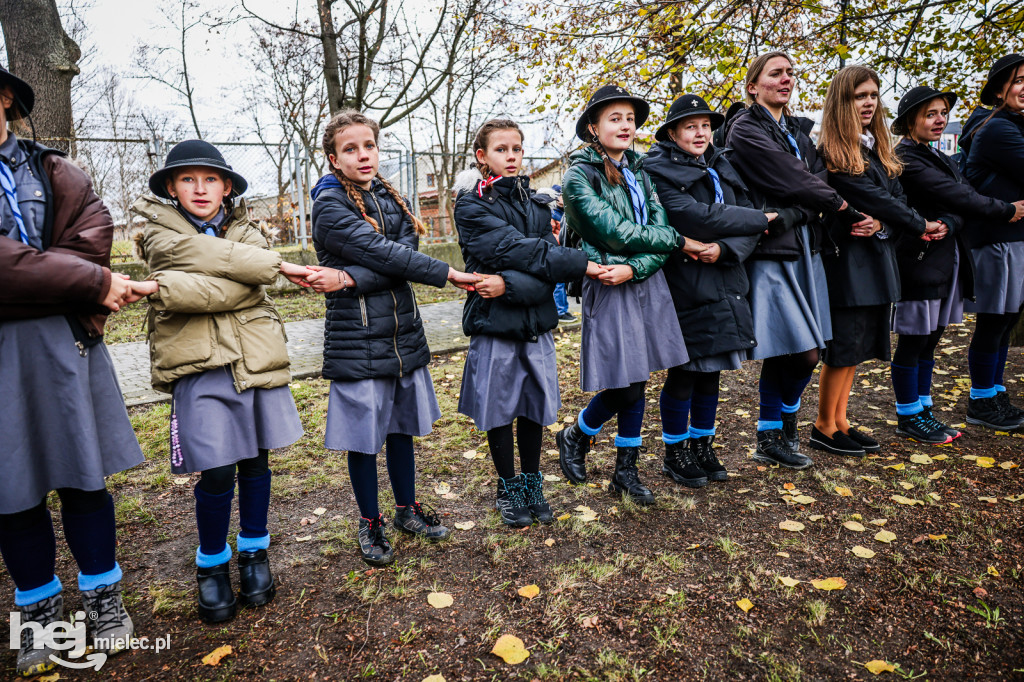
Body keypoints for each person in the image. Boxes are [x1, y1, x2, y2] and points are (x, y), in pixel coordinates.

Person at [0, 65, 156, 676]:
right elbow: (82, 270)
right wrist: (85, 284)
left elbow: (94, 238)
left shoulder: (55, 170)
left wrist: (44, 279)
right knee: (11, 486)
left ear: (6, 96)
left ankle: (102, 595)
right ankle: (37, 611)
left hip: (65, 345)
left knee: (85, 477)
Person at [136, 139, 311, 623]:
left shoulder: (249, 231)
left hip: (254, 359)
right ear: (171, 187)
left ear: (226, 186)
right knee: (215, 469)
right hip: (200, 365)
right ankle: (210, 563)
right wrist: (237, 280)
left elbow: (250, 280)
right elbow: (236, 283)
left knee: (256, 462)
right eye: (187, 179)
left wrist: (176, 287)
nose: (199, 188)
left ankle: (255, 551)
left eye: (210, 178)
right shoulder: (158, 233)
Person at [306, 110, 480, 566]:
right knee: (364, 437)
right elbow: (388, 256)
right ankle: (370, 521)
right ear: (333, 158)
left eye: (369, 146)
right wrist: (446, 273)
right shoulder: (328, 204)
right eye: (350, 149)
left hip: (403, 334)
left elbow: (404, 256)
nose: (363, 155)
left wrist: (346, 277)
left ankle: (406, 510)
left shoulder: (390, 196)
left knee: (401, 428)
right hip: (357, 338)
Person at [453, 119, 604, 526]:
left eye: (517, 148)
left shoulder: (539, 206)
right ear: (482, 157)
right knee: (500, 408)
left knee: (533, 408)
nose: (512, 156)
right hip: (495, 326)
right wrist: (568, 264)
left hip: (535, 324)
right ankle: (508, 484)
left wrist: (507, 282)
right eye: (501, 149)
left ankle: (533, 480)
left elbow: (543, 267)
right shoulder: (471, 206)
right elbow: (514, 250)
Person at [725, 52, 871, 468]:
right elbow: (794, 179)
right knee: (797, 349)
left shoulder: (796, 131)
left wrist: (810, 205)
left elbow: (814, 180)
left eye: (791, 72)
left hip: (807, 246)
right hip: (773, 250)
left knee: (807, 348)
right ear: (753, 85)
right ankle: (772, 433)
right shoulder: (745, 129)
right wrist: (833, 206)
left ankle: (780, 432)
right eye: (776, 73)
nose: (786, 79)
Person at [555, 84, 693, 505]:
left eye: (630, 119)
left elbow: (654, 240)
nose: (625, 125)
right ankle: (577, 432)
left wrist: (638, 263)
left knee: (641, 378)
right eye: (614, 118)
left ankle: (625, 472)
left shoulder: (641, 171)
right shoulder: (579, 175)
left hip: (642, 279)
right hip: (607, 280)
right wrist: (665, 238)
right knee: (627, 382)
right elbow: (614, 233)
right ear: (593, 128)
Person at [645, 94, 777, 486]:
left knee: (711, 372)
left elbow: (747, 230)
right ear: (672, 132)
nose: (701, 133)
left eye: (705, 125)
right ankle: (675, 450)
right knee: (686, 370)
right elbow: (695, 218)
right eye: (690, 126)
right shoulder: (658, 170)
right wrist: (754, 220)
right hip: (686, 279)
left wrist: (725, 248)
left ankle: (703, 444)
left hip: (724, 274)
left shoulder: (722, 165)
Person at [891, 85, 1024, 441]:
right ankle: (908, 414)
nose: (939, 120)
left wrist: (950, 222)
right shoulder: (906, 158)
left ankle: (924, 408)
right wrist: (1008, 209)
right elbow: (961, 196)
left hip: (945, 259)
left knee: (931, 338)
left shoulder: (940, 158)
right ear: (909, 122)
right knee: (913, 339)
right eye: (930, 114)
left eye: (942, 113)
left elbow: (962, 204)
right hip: (918, 260)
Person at [816, 65, 936, 456]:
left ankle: (841, 420)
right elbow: (874, 197)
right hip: (847, 263)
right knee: (844, 346)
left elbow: (895, 201)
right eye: (859, 96)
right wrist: (916, 223)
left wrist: (887, 222)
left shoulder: (876, 147)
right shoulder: (833, 153)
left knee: (861, 344)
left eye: (872, 95)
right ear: (842, 102)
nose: (868, 103)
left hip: (876, 258)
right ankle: (823, 424)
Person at [959, 53, 1024, 430]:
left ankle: (995, 392)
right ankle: (981, 400)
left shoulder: (1014, 124)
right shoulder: (998, 128)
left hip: (1013, 237)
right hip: (997, 239)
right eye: (1018, 81)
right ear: (1000, 89)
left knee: (1008, 317)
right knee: (995, 319)